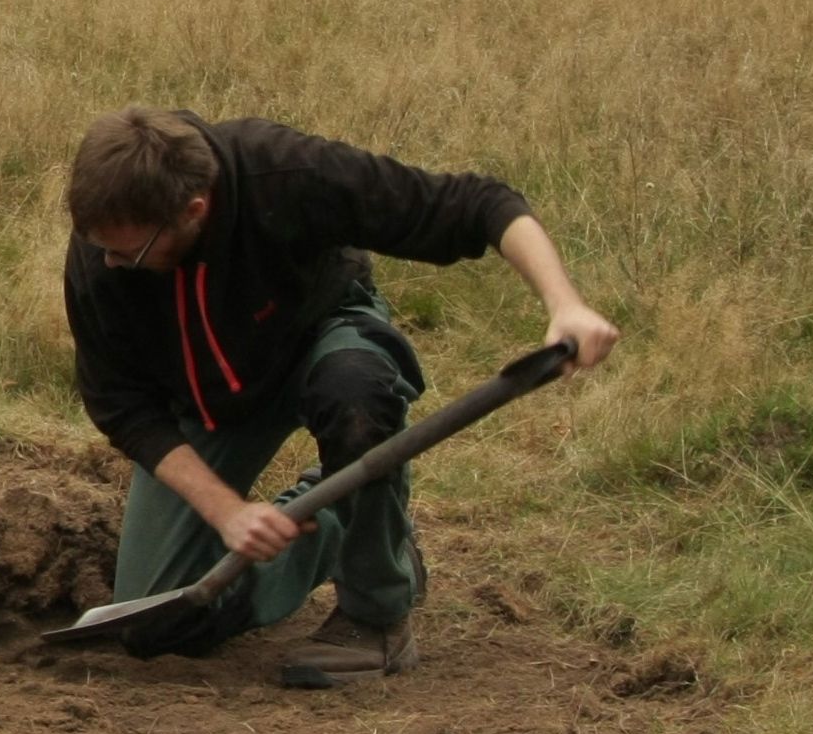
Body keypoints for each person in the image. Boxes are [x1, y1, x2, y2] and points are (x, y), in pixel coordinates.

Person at [63, 108, 620, 685]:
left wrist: (565, 304)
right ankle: (338, 521)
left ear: (192, 212)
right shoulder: (101, 258)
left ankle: (376, 611)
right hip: (205, 398)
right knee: (159, 624)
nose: (109, 262)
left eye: (127, 252)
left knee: (355, 397)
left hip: (319, 340)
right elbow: (123, 406)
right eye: (98, 245)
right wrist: (226, 512)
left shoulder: (287, 174)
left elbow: (479, 204)